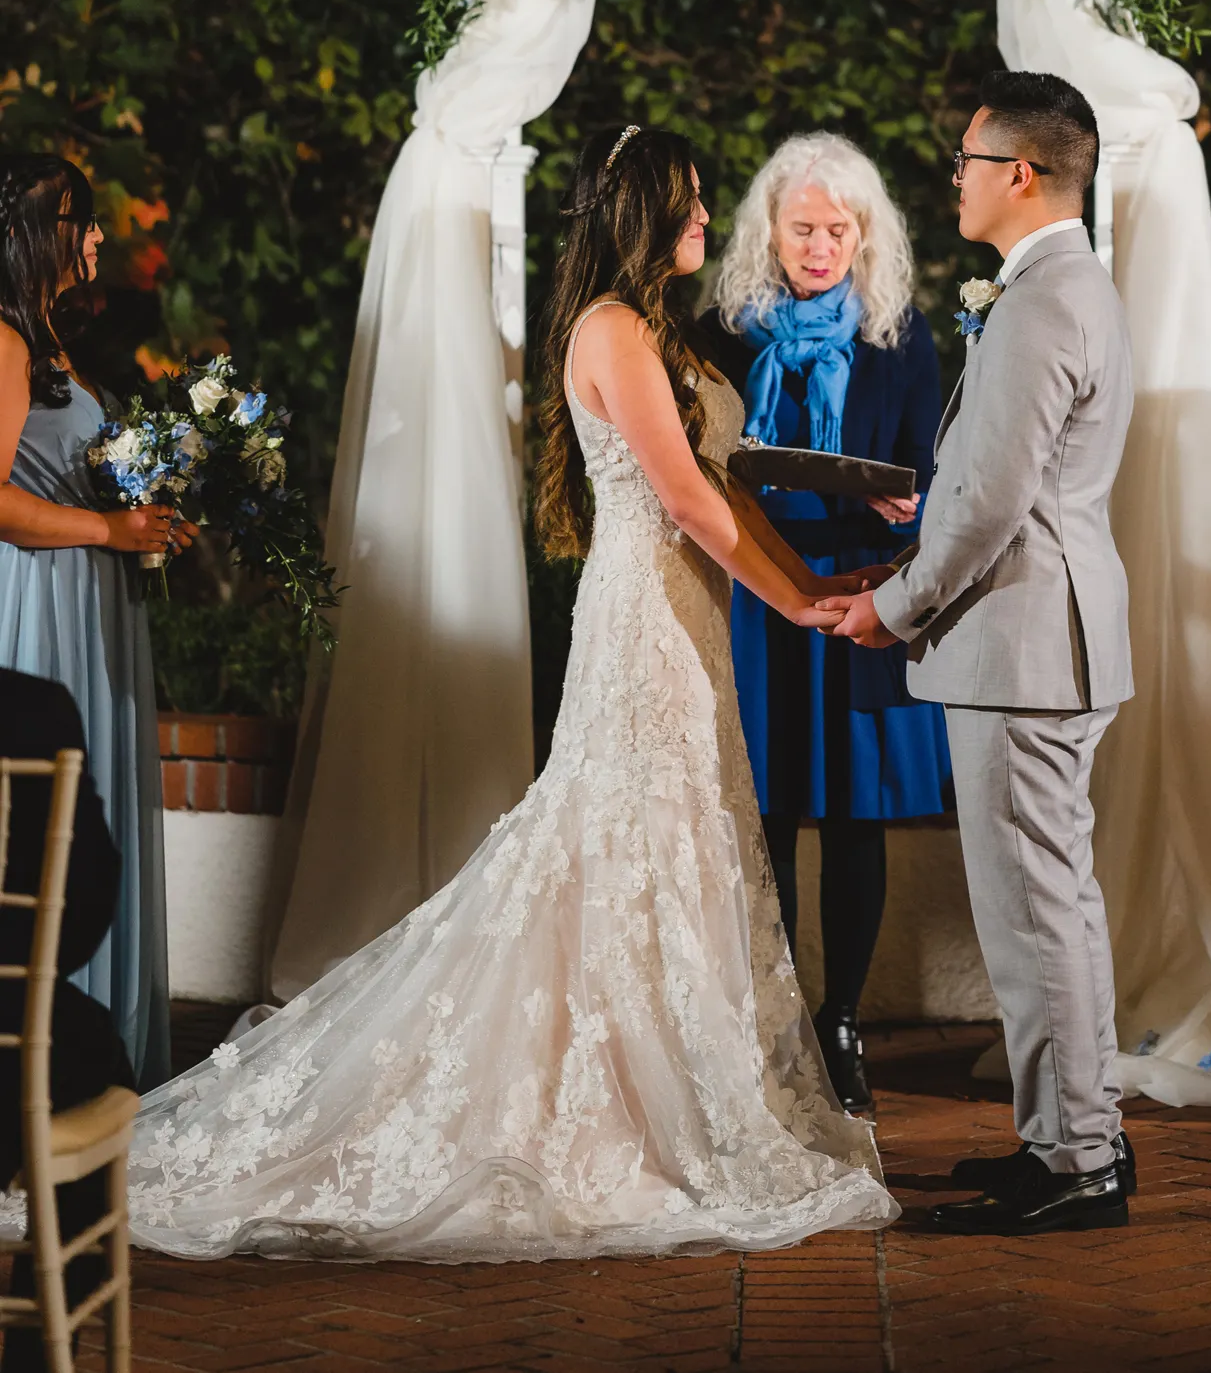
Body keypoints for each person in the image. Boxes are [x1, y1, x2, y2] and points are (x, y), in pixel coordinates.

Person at [122, 124, 897, 1260]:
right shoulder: (612, 330)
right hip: (644, 622)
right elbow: (684, 500)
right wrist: (790, 607)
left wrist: (816, 586)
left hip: (693, 624)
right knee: (618, 839)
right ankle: (609, 1102)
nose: (701, 218)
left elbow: (735, 494)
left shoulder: (662, 334)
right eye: (684, 202)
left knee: (674, 845)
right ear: (637, 212)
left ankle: (657, 1082)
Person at [836, 67, 1137, 1236]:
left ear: (1019, 171)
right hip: (1045, 636)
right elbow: (1008, 480)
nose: (953, 177)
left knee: (1034, 914)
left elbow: (994, 507)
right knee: (1051, 907)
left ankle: (1078, 1164)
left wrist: (896, 604)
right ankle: (1070, 1139)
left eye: (967, 159)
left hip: (1022, 647)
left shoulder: (1044, 298)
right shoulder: (1070, 286)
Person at [697, 134, 949, 1113]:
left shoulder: (898, 334)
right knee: (764, 816)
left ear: (865, 233)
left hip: (857, 589)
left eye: (839, 229)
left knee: (853, 811)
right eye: (802, 227)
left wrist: (908, 505)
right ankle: (775, 1018)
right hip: (760, 591)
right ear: (770, 228)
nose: (820, 246)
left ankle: (841, 1018)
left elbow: (933, 466)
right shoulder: (723, 328)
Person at [0, 154, 182, 1090]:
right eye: (84, 218)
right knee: (54, 822)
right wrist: (109, 525)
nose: (101, 236)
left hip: (94, 596)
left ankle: (98, 1055)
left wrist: (147, 508)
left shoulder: (53, 345)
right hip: (44, 599)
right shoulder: (1, 341)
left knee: (98, 809)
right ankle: (42, 1063)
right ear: (40, 228)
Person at [0, 667, 133, 1371]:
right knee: (102, 1053)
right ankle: (31, 1355)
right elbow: (81, 913)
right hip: (7, 1053)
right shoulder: (31, 709)